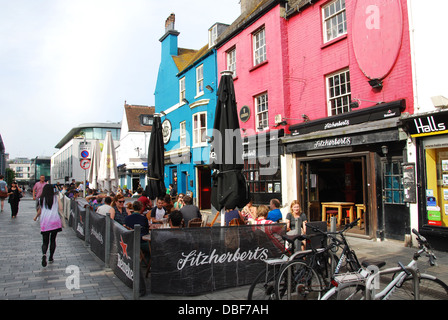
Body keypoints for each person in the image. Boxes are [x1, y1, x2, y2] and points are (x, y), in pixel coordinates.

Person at [33, 184, 63, 267]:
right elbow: (61, 208)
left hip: (45, 222)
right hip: (55, 221)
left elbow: (40, 210)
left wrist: (36, 217)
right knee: (53, 240)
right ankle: (51, 257)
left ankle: (44, 254)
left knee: (45, 241)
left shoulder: (41, 199)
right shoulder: (56, 198)